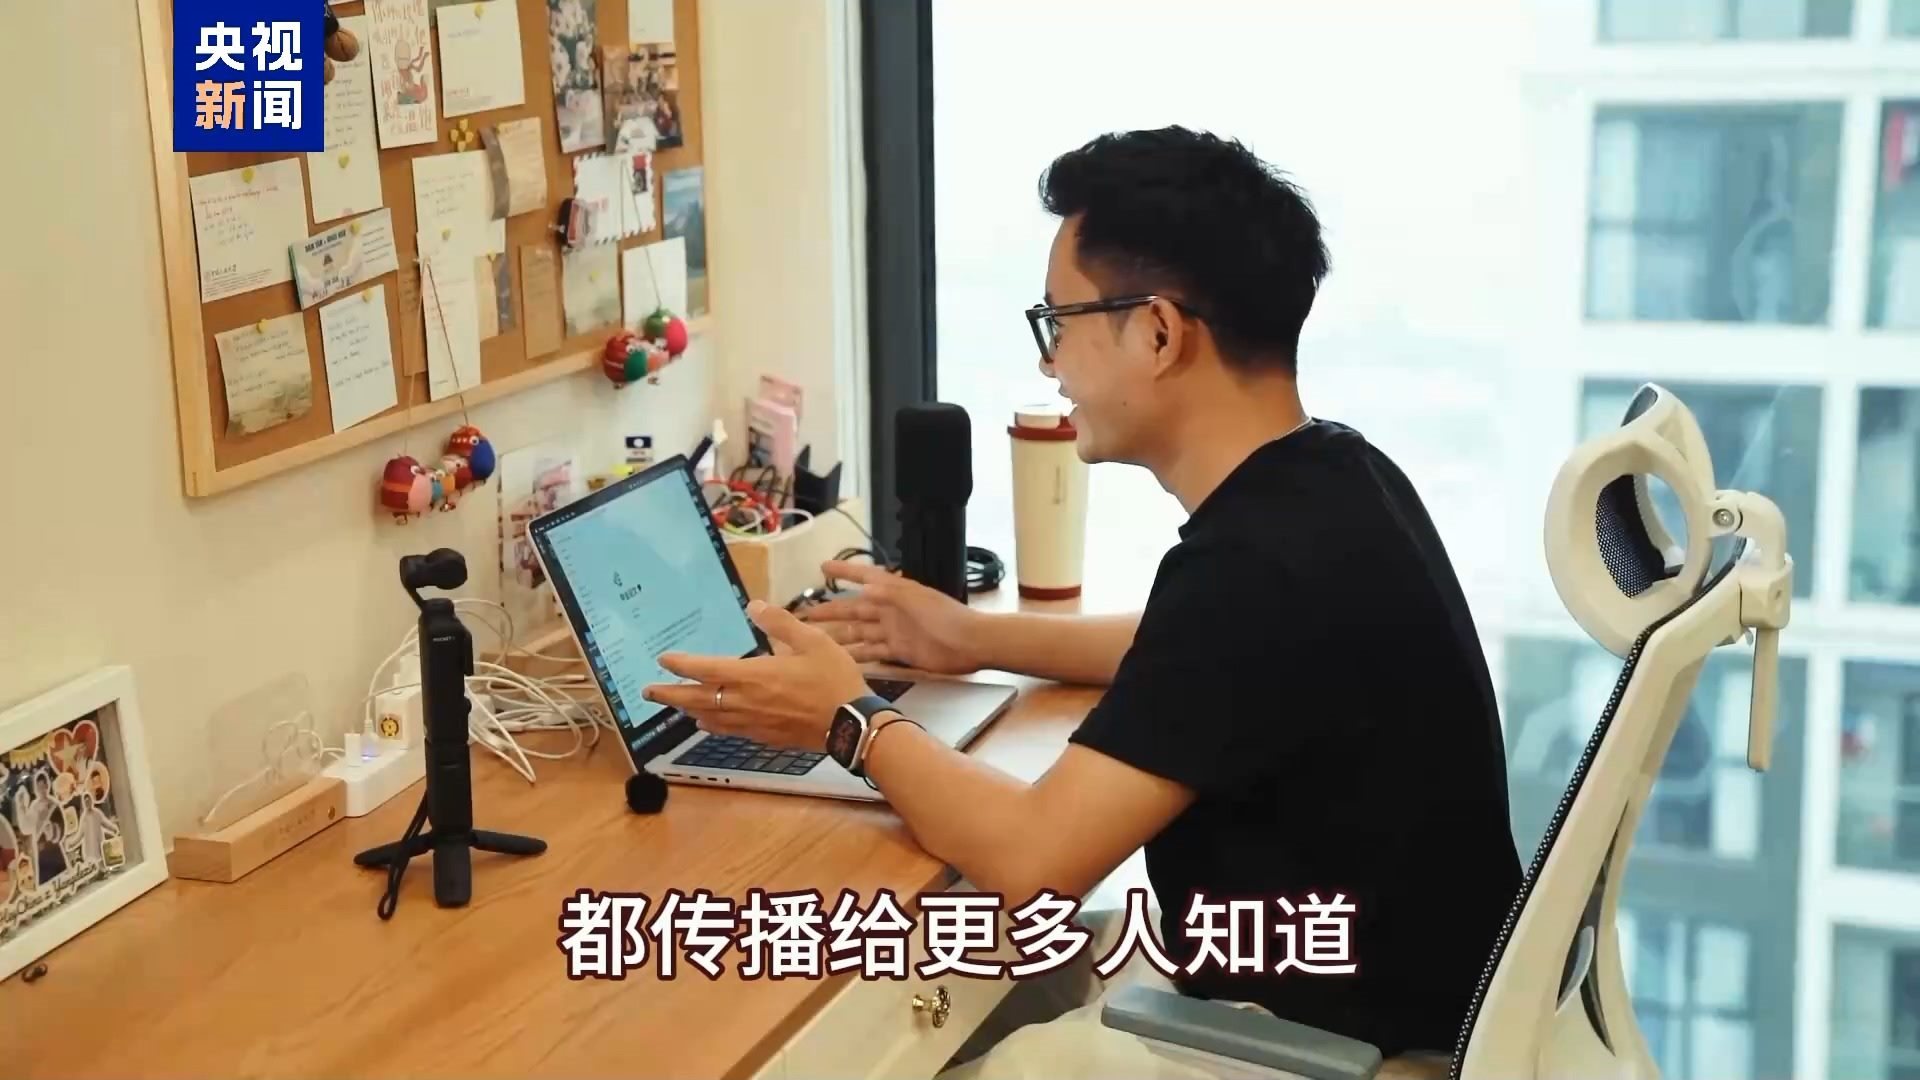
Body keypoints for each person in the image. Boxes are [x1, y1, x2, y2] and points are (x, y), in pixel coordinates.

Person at [643, 126, 1523, 1072]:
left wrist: (847, 720)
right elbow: (1195, 655)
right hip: (1405, 1004)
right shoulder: (1338, 475)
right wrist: (972, 636)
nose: (1049, 364)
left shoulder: (1253, 567)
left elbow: (1034, 863)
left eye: (1057, 324)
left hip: (1329, 1048)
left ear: (1158, 332)